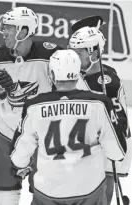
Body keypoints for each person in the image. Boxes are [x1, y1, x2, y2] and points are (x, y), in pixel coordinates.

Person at [10, 49, 127, 205]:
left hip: (48, 190)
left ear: (51, 74)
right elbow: (117, 152)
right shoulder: (99, 103)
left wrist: (22, 165)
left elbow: (18, 157)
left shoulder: (34, 105)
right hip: (89, 190)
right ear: (78, 72)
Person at [0, 6, 61, 205]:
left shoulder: (51, 55)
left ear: (24, 31)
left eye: (9, 28)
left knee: (45, 195)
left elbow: (67, 93)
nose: (3, 32)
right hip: (6, 134)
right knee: (4, 196)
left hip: (43, 137)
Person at [69, 25, 132, 204]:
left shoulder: (108, 82)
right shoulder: (80, 74)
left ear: (95, 55)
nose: (73, 59)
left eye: (78, 54)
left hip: (113, 142)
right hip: (88, 144)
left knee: (104, 188)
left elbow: (119, 123)